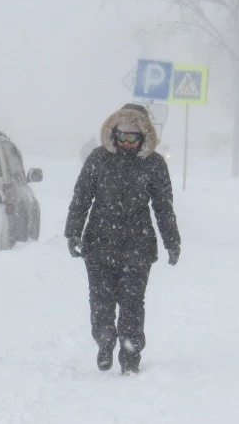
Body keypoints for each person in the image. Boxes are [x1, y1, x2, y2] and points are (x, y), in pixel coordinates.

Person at [65, 103, 180, 375]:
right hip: (99, 244)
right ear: (112, 133)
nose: (126, 142)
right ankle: (105, 342)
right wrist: (73, 231)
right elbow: (82, 197)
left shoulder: (153, 164)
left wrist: (171, 241)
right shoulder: (98, 159)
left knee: (131, 303)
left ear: (144, 136)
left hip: (137, 248)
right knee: (101, 301)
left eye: (133, 137)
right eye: (121, 135)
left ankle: (130, 354)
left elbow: (163, 207)